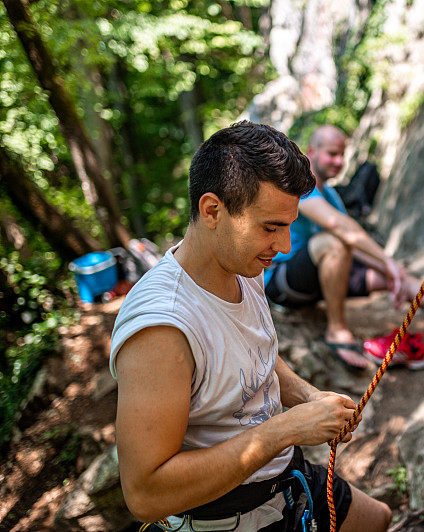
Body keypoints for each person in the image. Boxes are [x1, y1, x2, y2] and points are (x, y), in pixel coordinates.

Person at [110, 121, 391, 531]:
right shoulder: (162, 330)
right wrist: (285, 430)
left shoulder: (241, 266)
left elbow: (254, 353)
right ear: (212, 211)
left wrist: (309, 397)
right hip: (223, 515)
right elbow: (145, 493)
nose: (286, 246)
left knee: (377, 519)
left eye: (289, 224)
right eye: (271, 227)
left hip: (282, 480)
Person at [264, 125, 424, 369]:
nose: (339, 161)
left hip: (318, 274)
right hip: (282, 283)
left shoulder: (332, 196)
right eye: (332, 154)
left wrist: (390, 269)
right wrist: (386, 259)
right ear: (312, 151)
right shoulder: (299, 187)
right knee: (333, 242)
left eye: (342, 155)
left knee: (394, 274)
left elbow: (353, 246)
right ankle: (337, 331)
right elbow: (338, 227)